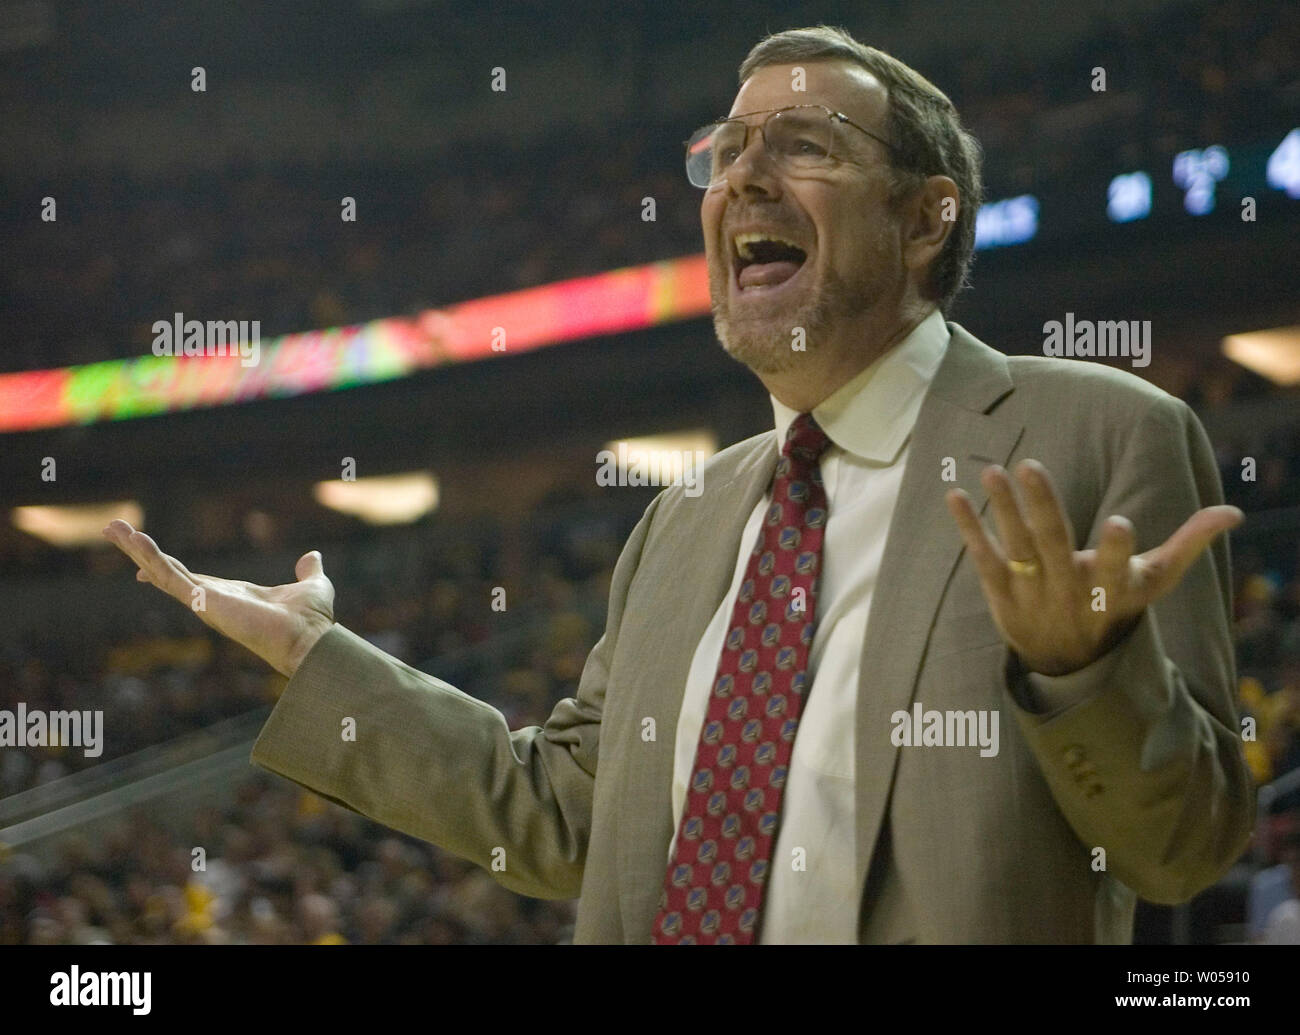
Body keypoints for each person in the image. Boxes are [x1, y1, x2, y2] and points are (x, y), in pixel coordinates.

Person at [103, 25, 1254, 944]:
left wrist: (1082, 672)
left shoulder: (1096, 435)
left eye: (802, 143)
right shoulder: (686, 518)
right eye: (727, 150)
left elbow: (1181, 850)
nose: (743, 175)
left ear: (923, 215)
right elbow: (561, 822)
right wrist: (318, 664)